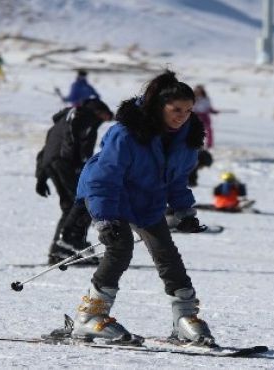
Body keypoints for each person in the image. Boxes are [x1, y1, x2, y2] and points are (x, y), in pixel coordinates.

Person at [71, 70, 214, 345]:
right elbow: (104, 177)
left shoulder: (186, 139)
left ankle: (184, 317)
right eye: (176, 110)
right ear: (160, 107)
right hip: (107, 194)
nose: (182, 116)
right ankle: (89, 316)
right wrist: (105, 220)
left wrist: (184, 211)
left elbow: (176, 179)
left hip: (146, 200)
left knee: (166, 253)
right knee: (120, 247)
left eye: (188, 110)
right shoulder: (126, 134)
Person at [35, 98, 113, 265]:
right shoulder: (84, 117)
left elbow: (46, 148)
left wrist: (41, 176)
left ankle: (59, 250)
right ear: (99, 112)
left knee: (68, 207)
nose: (104, 121)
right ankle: (72, 242)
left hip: (52, 164)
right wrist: (82, 166)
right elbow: (77, 144)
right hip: (65, 163)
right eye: (106, 117)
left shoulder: (65, 118)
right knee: (83, 203)